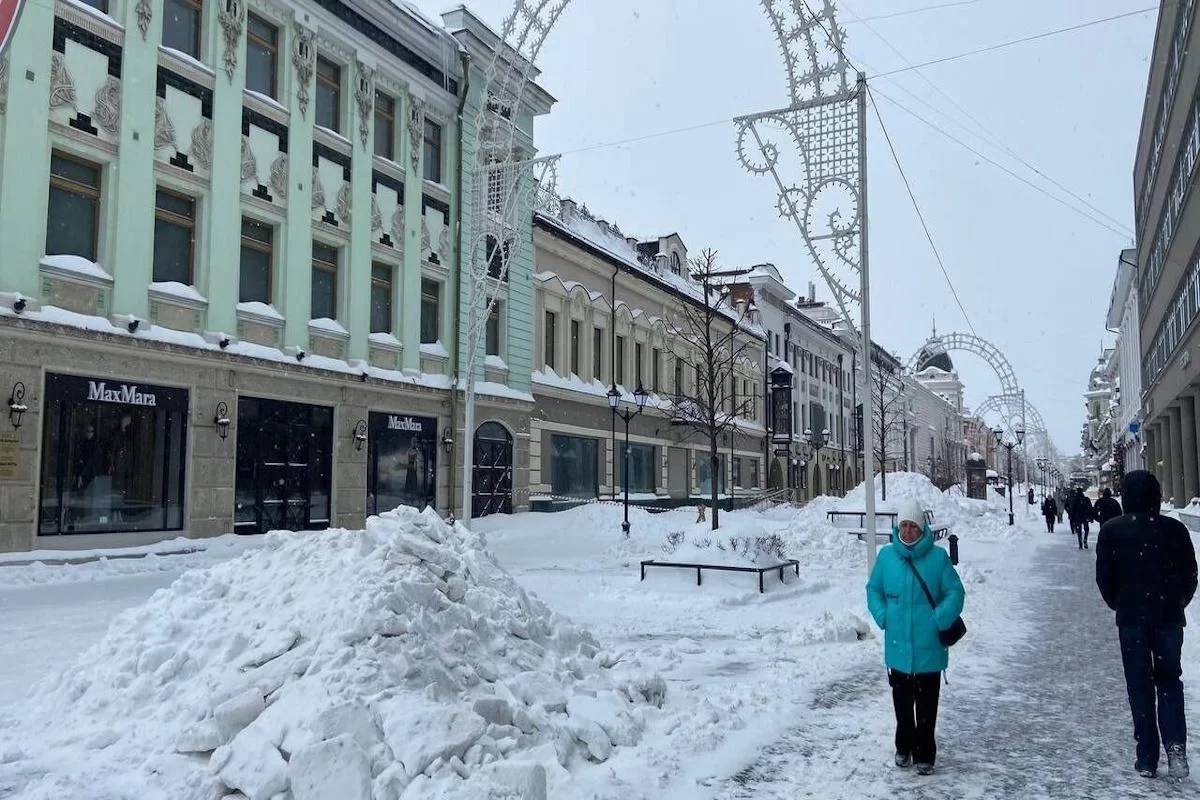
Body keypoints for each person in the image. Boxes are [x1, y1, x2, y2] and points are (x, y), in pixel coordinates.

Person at [1096, 470, 1197, 780]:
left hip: (1132, 620)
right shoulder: (1175, 530)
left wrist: (1121, 603)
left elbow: (1105, 579)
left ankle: (1147, 757)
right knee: (1169, 680)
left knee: (1139, 685)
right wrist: (1177, 600)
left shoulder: (1112, 531)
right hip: (1168, 617)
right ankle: (1175, 745)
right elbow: (1190, 574)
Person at [866, 498, 965, 776]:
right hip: (897, 649)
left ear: (923, 529)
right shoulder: (887, 557)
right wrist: (882, 615)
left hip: (929, 649)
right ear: (899, 528)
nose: (908, 531)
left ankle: (925, 752)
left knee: (926, 707)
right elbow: (873, 589)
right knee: (901, 705)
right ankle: (903, 745)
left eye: (913, 527)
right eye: (904, 526)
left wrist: (939, 618)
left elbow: (955, 593)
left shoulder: (937, 558)